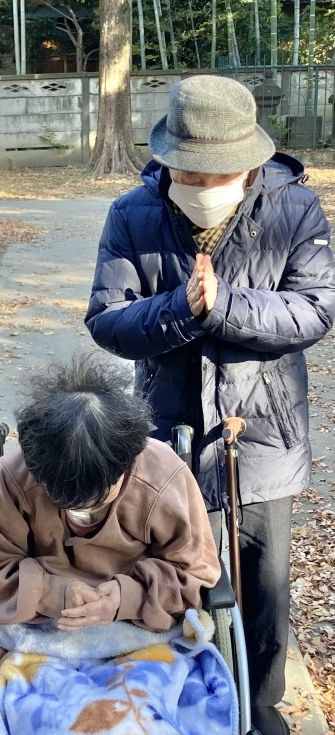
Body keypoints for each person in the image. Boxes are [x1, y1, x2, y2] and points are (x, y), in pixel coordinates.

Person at [85, 74, 335, 735]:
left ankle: (261, 707)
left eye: (217, 174)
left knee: (262, 586)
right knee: (172, 577)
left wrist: (224, 306)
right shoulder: (132, 214)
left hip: (262, 432)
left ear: (248, 162)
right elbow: (107, 320)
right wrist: (180, 308)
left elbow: (315, 309)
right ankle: (187, 700)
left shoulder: (293, 208)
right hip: (167, 432)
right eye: (188, 173)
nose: (201, 185)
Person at [0, 355, 221, 632]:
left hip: (138, 619)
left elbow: (194, 574)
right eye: (67, 503)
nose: (82, 514)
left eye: (98, 502)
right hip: (34, 619)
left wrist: (127, 597)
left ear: (126, 464)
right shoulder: (8, 480)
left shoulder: (164, 478)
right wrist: (52, 593)